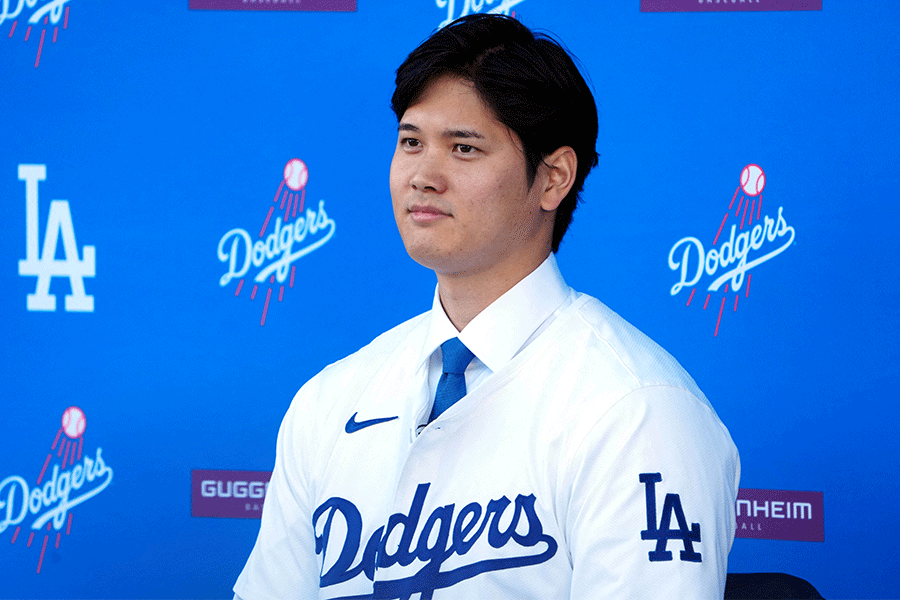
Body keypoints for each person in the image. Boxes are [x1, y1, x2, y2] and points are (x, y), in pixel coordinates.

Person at [234, 13, 739, 600]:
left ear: (553, 178)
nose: (423, 175)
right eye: (411, 142)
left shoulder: (638, 411)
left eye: (464, 148)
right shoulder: (330, 398)